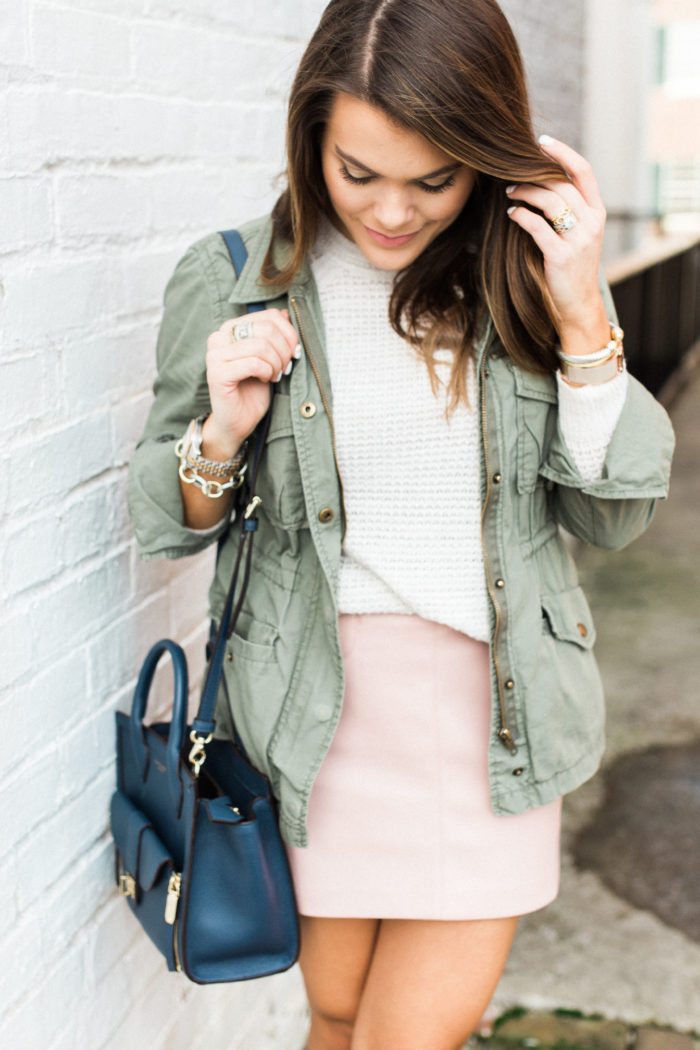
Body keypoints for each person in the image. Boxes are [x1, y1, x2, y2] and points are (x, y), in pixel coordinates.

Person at [128, 1, 674, 1047]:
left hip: (491, 724)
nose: (390, 213)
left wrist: (582, 317)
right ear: (310, 138)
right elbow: (170, 518)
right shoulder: (235, 276)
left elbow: (610, 518)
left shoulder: (521, 280)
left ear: (484, 153)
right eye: (356, 173)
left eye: (433, 180)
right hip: (314, 721)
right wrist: (223, 428)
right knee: (335, 1017)